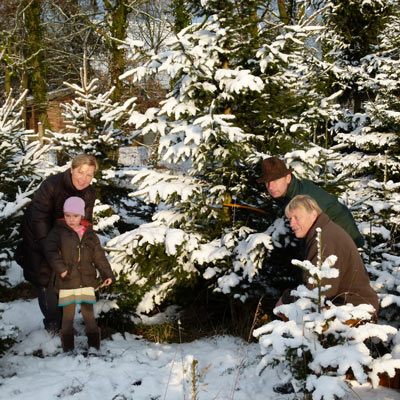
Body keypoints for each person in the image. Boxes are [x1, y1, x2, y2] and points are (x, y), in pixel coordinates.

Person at [15, 154, 98, 333]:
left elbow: (86, 221)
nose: (84, 179)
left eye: (90, 174)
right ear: (71, 170)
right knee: (46, 277)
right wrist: (48, 246)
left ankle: (64, 322)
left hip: (65, 238)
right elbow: (39, 217)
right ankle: (53, 324)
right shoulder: (52, 185)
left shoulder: (89, 192)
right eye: (80, 172)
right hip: (39, 236)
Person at [277, 195, 379, 314]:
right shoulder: (322, 232)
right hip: (345, 307)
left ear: (313, 214)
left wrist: (286, 299)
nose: (292, 224)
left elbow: (319, 291)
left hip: (354, 312)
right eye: (290, 219)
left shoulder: (324, 240)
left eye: (296, 218)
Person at [43, 197, 114, 352]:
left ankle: (94, 347)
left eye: (75, 216)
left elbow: (99, 256)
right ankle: (68, 349)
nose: (71, 219)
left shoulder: (89, 234)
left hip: (86, 281)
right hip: (67, 281)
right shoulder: (58, 232)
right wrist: (60, 268)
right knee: (67, 318)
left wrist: (106, 274)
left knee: (89, 316)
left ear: (82, 216)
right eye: (67, 215)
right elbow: (50, 250)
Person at [256, 156, 364, 247]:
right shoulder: (289, 191)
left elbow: (310, 233)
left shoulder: (301, 198)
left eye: (275, 180)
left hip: (344, 238)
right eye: (267, 182)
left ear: (288, 178)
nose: (270, 186)